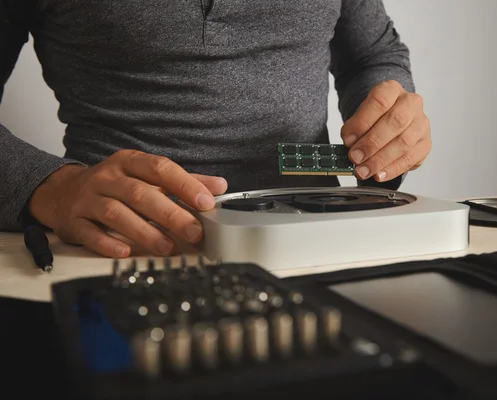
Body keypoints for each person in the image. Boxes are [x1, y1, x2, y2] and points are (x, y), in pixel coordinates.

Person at [0, 0, 431, 258]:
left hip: (319, 245)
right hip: (117, 250)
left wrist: (387, 126)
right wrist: (52, 190)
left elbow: (371, 55)